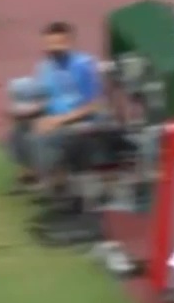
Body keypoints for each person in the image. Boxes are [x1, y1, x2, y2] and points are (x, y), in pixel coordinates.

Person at [8, 21, 104, 194]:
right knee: (20, 129)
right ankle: (30, 174)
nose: (52, 48)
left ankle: (56, 182)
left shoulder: (83, 66)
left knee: (42, 135)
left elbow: (94, 105)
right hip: (53, 116)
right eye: (49, 44)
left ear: (69, 42)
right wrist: (26, 112)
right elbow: (45, 97)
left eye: (58, 43)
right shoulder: (45, 67)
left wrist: (57, 121)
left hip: (80, 121)